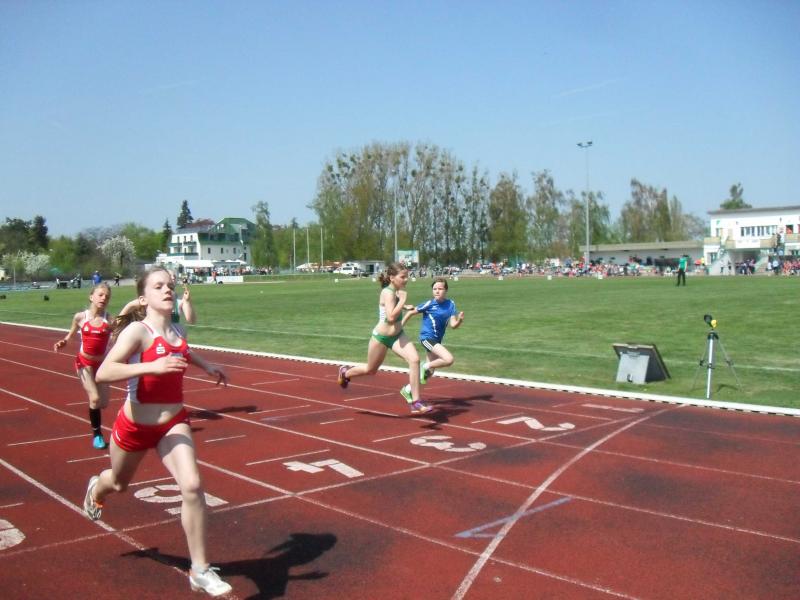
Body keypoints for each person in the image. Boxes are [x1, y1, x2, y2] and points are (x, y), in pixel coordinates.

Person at [86, 266, 231, 596]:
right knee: (118, 483)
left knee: (192, 485)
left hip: (172, 422)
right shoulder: (138, 332)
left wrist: (208, 366)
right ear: (143, 298)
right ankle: (97, 489)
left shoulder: (178, 329)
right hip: (135, 426)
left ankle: (200, 569)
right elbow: (104, 372)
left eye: (170, 285)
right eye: (158, 286)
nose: (167, 290)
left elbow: (184, 351)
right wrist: (151, 366)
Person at [337, 263, 433, 414]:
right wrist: (403, 301)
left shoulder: (396, 291)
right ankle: (345, 373)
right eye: (403, 277)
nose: (406, 279)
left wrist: (404, 305)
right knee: (370, 370)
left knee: (414, 360)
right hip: (381, 338)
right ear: (392, 278)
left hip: (398, 335)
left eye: (407, 276)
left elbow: (392, 306)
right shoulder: (387, 292)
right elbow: (390, 317)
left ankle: (415, 401)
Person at [53, 282, 114, 449]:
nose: (104, 298)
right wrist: (63, 342)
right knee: (94, 399)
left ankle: (96, 420)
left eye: (107, 297)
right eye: (100, 295)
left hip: (102, 364)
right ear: (91, 297)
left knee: (103, 403)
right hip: (84, 362)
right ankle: (97, 435)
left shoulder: (110, 320)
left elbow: (118, 339)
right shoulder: (80, 317)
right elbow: (70, 335)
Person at [401, 277, 464, 389]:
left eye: (440, 289)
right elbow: (410, 313)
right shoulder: (429, 304)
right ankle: (424, 366)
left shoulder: (451, 304)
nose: (437, 291)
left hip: (437, 340)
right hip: (427, 338)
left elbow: (453, 325)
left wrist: (459, 320)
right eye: (435, 289)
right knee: (448, 359)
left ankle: (408, 389)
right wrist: (400, 326)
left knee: (429, 372)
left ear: (446, 290)